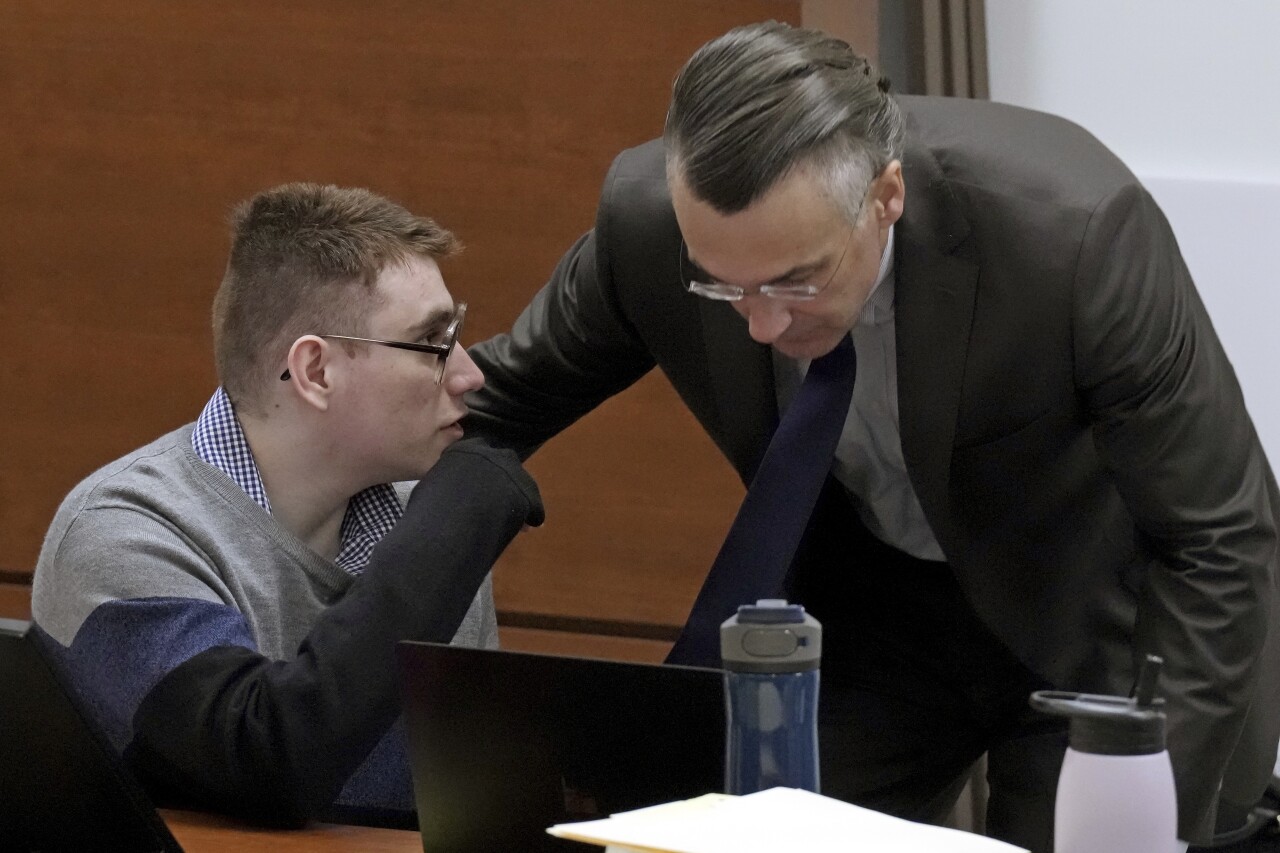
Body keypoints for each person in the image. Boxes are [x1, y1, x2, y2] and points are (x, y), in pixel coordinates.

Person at [465, 21, 1280, 852]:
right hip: (883, 617)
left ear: (886, 196)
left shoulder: (1075, 234)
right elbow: (493, 402)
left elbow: (1222, 536)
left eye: (797, 280)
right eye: (725, 286)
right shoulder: (650, 225)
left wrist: (1152, 802)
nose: (763, 324)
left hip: (1098, 625)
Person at [31, 183, 543, 827]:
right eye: (434, 343)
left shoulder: (425, 521)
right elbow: (265, 763)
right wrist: (450, 536)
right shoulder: (123, 532)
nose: (470, 375)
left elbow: (465, 816)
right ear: (316, 372)